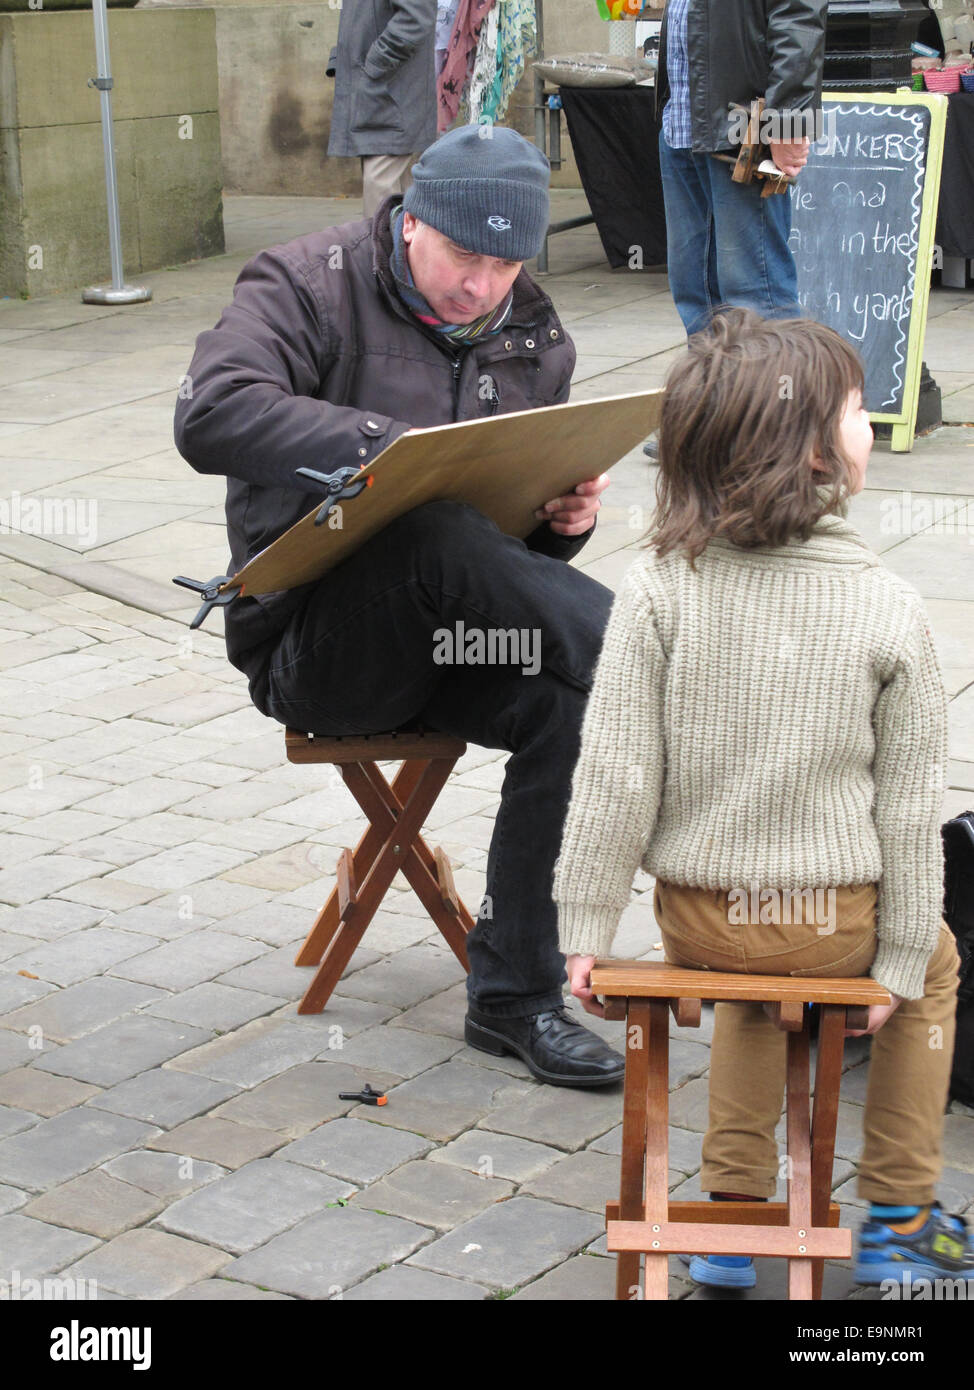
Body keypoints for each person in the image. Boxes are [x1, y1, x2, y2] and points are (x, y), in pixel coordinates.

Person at [174, 124, 625, 1089]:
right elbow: (209, 411)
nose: (484, 286)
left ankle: (515, 999)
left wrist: (563, 523)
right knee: (432, 528)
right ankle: (656, 667)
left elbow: (508, 560)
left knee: (574, 712)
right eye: (465, 256)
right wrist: (395, 453)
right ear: (411, 221)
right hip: (312, 647)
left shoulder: (536, 333)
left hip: (455, 641)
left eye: (508, 264)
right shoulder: (305, 282)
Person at [553, 308, 974, 1288]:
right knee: (936, 972)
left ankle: (730, 1216)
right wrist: (902, 958)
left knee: (749, 1002)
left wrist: (583, 928)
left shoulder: (657, 586)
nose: (869, 426)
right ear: (815, 457)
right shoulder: (884, 605)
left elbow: (613, 774)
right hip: (833, 923)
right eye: (857, 411)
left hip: (702, 924)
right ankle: (901, 1215)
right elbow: (908, 811)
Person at [643, 0, 827, 460]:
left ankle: (781, 434)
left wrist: (789, 121)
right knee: (695, 289)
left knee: (756, 291)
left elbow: (799, 16)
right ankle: (711, 425)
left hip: (746, 123)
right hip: (683, 123)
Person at [327, 0, 438, 219]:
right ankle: (401, 250)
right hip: (381, 90)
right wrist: (342, 60)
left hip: (392, 92)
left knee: (382, 189)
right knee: (402, 196)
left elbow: (416, 18)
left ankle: (385, 251)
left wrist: (374, 63)